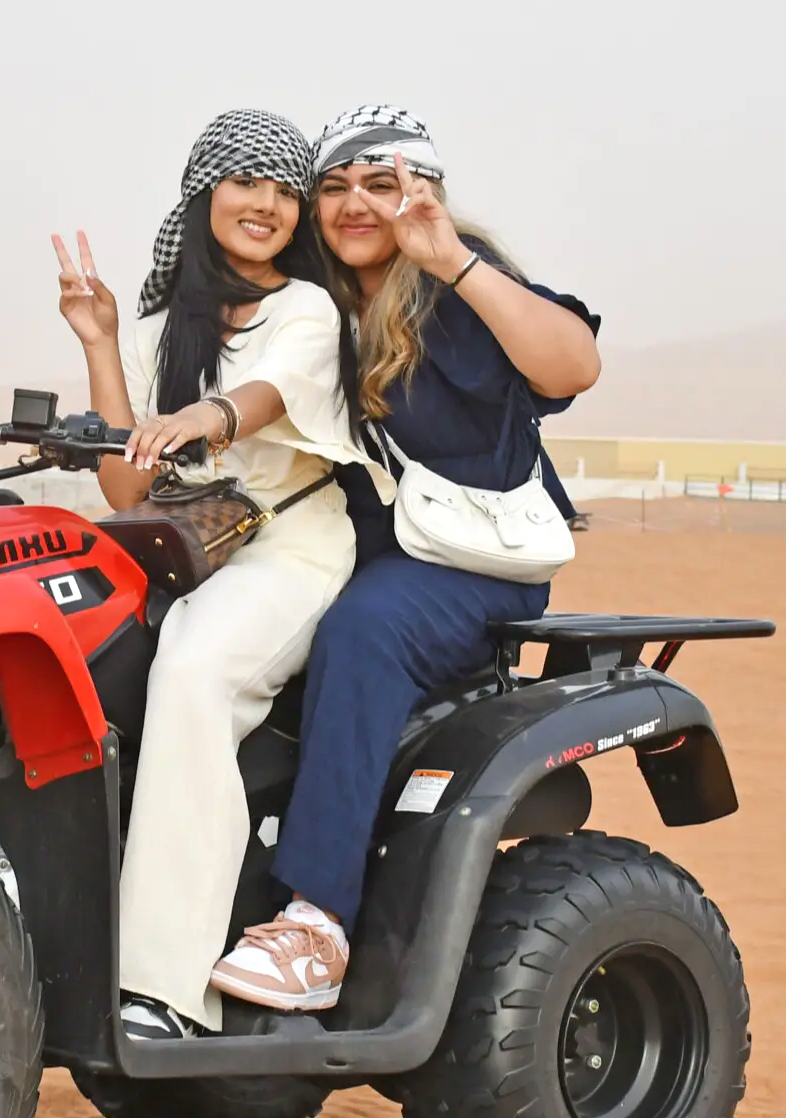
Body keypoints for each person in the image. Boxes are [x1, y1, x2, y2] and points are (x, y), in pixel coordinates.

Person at [52, 109, 375, 1040]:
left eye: (284, 190)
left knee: (193, 672)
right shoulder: (164, 329)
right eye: (245, 182)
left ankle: (164, 991)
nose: (266, 204)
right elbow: (125, 485)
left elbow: (266, 395)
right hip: (181, 550)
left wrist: (209, 418)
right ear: (204, 195)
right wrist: (100, 340)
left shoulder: (307, 309)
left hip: (289, 549)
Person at [272, 106, 603, 960]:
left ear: (420, 192)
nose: (355, 203)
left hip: (471, 565)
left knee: (364, 630)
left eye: (379, 183)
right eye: (335, 187)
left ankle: (316, 923)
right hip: (359, 548)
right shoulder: (313, 303)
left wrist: (451, 259)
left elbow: (573, 364)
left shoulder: (452, 283)